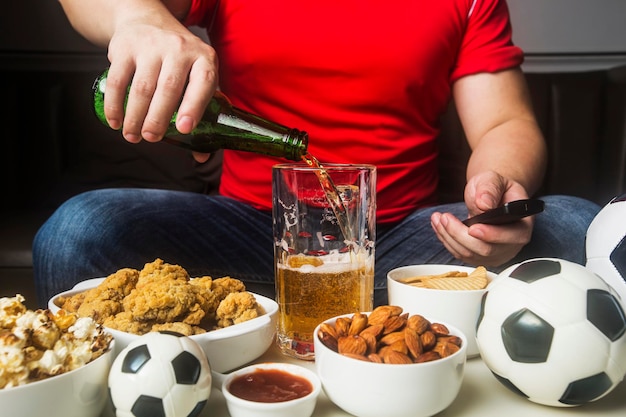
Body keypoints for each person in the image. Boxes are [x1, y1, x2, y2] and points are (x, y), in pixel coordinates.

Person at [33, 0, 600, 307]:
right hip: (250, 234)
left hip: (400, 243)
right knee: (78, 228)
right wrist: (140, 16)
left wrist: (497, 186)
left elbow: (505, 121)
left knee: (578, 224)